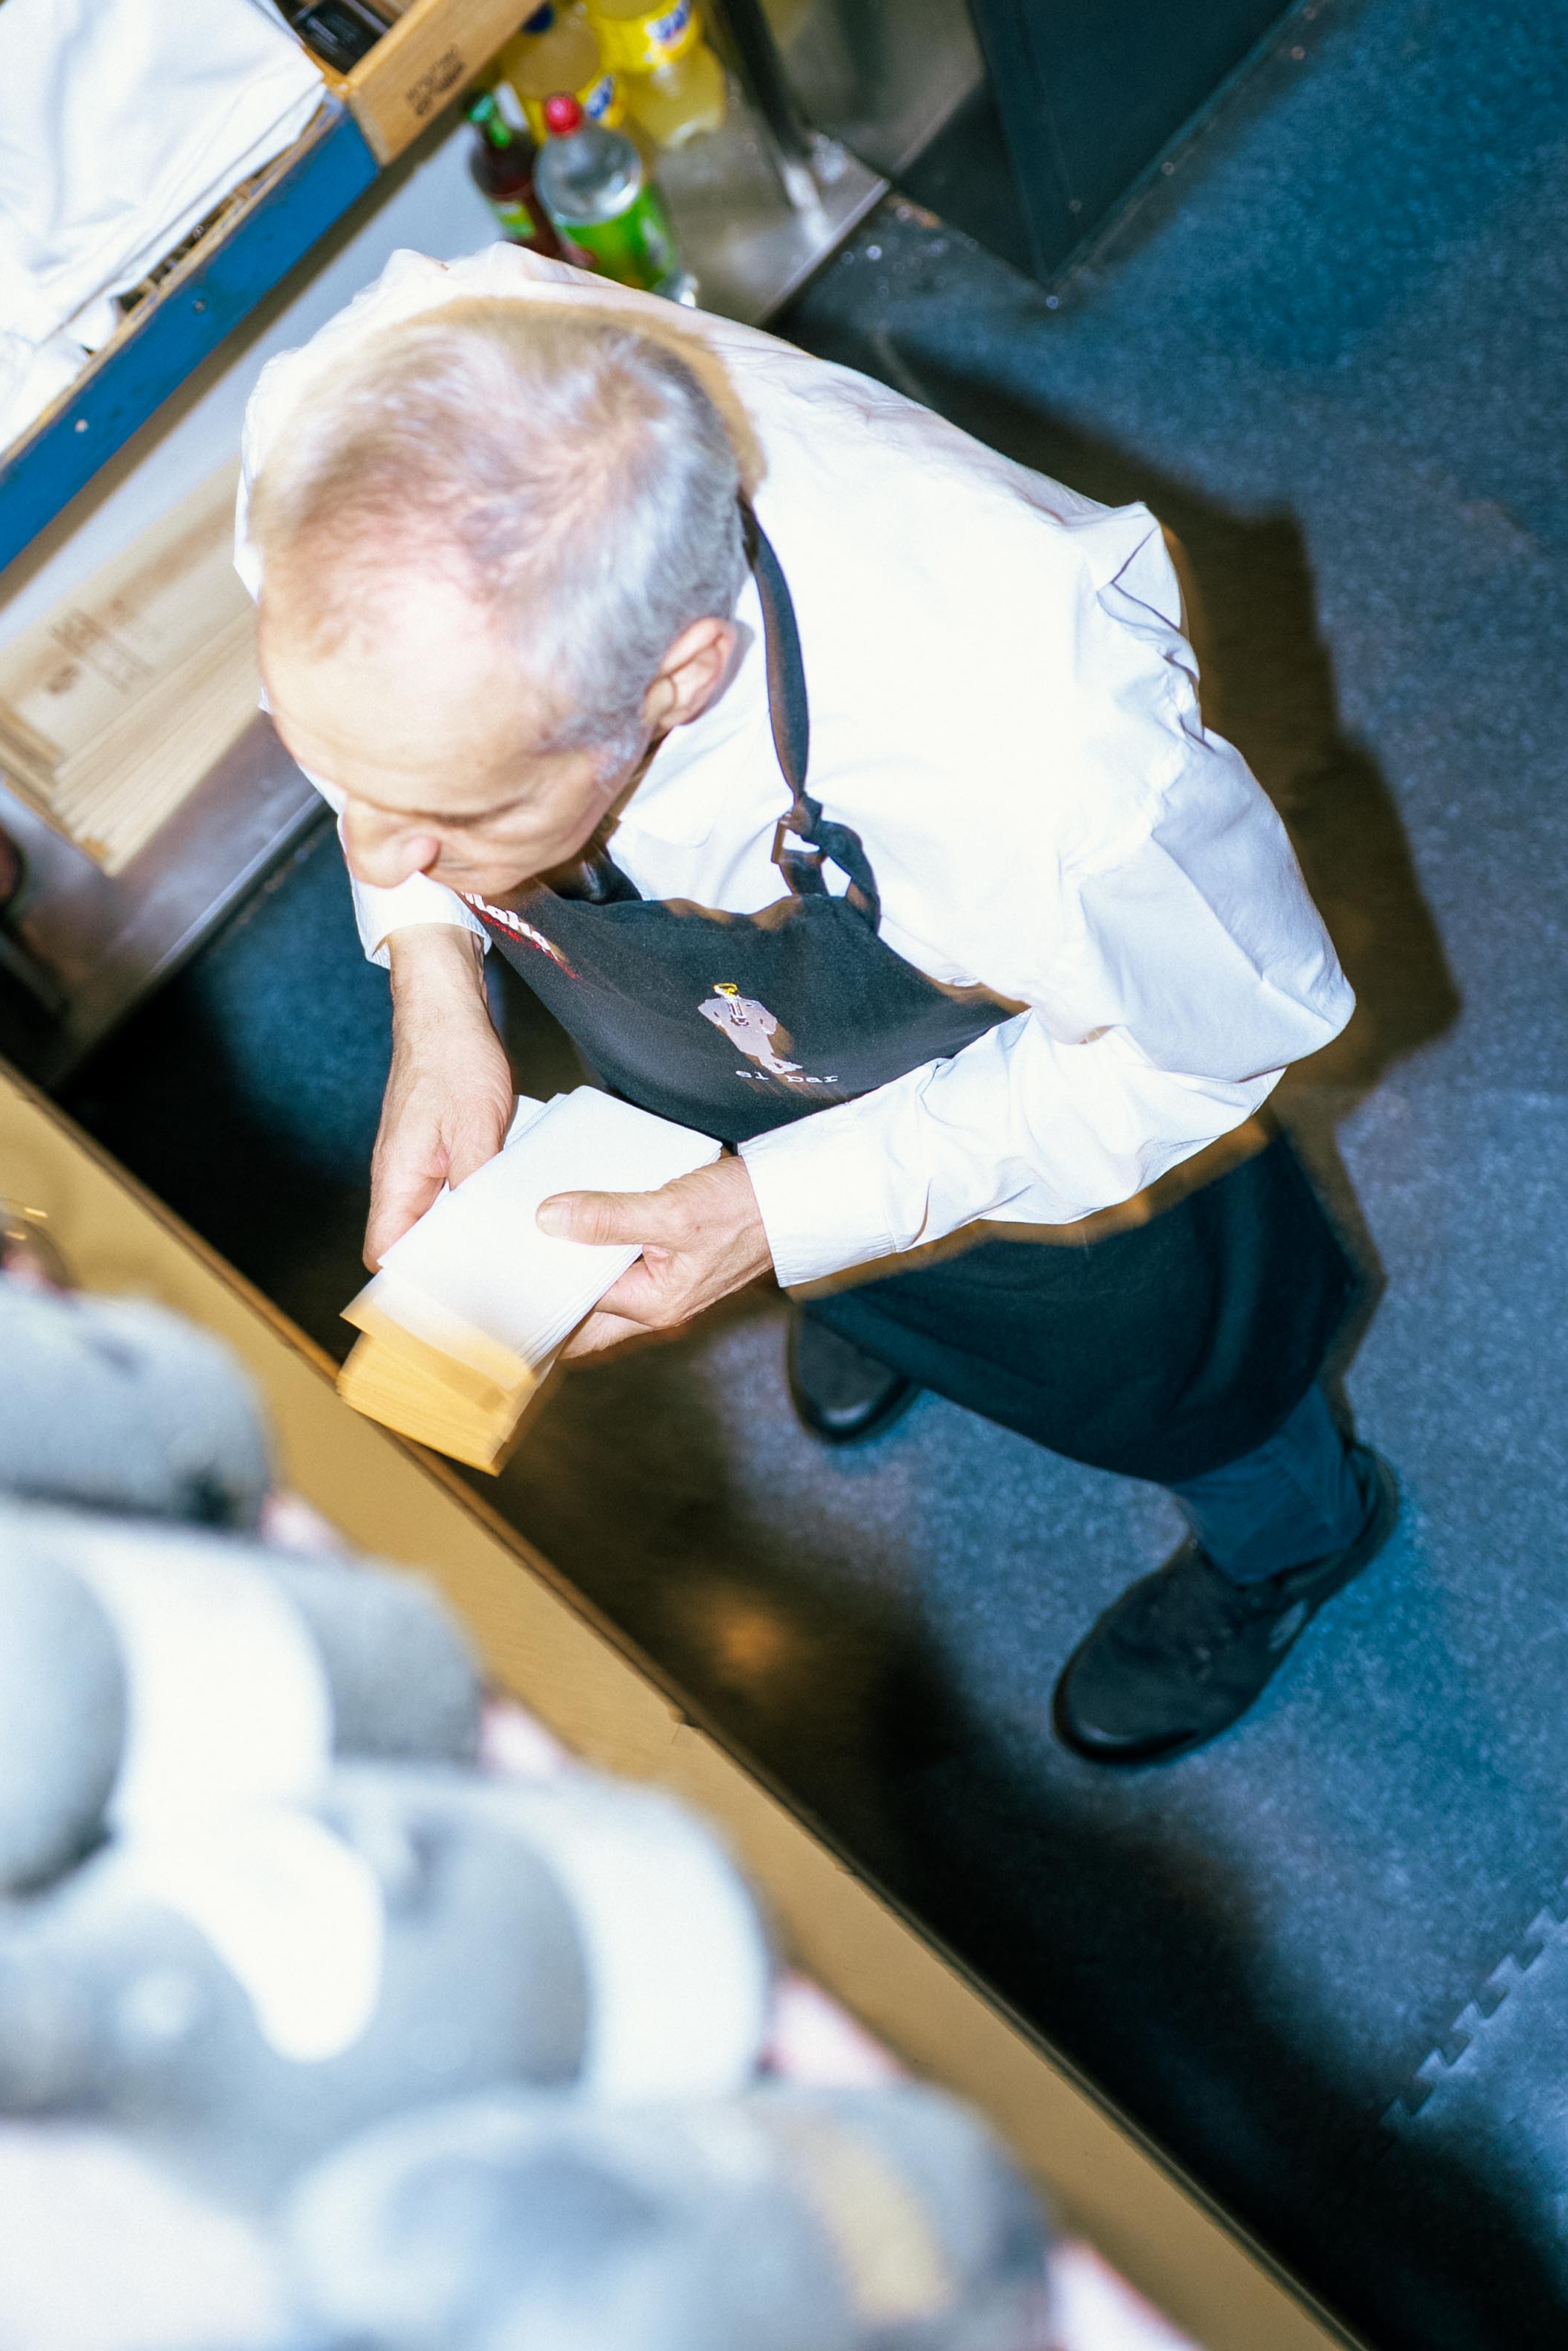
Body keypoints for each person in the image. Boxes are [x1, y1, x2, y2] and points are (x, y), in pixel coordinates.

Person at [235, 249, 1398, 1764]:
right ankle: (866, 1289)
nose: (384, 857)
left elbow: (1212, 1047)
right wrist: (434, 977)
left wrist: (781, 1211)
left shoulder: (1039, 760)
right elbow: (377, 762)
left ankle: (1293, 1539)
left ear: (679, 681)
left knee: (1198, 1382)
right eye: (348, 782)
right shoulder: (344, 430)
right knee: (805, 1206)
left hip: (1062, 1162)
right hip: (736, 1057)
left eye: (450, 820)